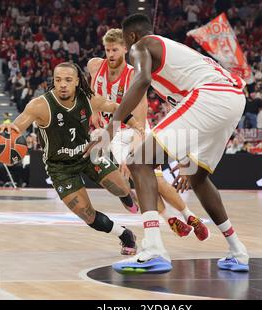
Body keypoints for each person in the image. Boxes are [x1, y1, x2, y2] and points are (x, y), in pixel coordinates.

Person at [85, 14, 249, 273]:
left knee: (138, 161)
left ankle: (153, 250)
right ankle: (238, 252)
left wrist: (109, 129)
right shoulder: (174, 57)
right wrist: (187, 158)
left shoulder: (143, 46)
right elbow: (193, 116)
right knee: (197, 177)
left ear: (131, 38)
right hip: (233, 99)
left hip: (211, 95)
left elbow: (140, 82)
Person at [0, 62, 141, 255]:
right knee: (87, 215)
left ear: (77, 81)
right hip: (59, 167)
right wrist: (9, 128)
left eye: (68, 80)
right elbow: (18, 125)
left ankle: (126, 195)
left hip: (87, 154)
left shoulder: (88, 99)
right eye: (58, 80)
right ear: (53, 81)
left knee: (122, 187)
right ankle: (125, 235)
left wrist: (137, 124)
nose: (62, 84)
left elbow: (116, 108)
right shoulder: (40, 105)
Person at [87, 28, 208, 239]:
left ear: (125, 49)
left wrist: (135, 145)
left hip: (136, 129)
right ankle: (170, 218)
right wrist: (95, 110)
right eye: (107, 50)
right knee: (144, 181)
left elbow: (140, 114)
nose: (111, 54)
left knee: (156, 180)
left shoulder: (134, 74)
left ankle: (189, 216)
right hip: (114, 133)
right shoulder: (95, 65)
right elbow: (92, 91)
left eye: (115, 50)